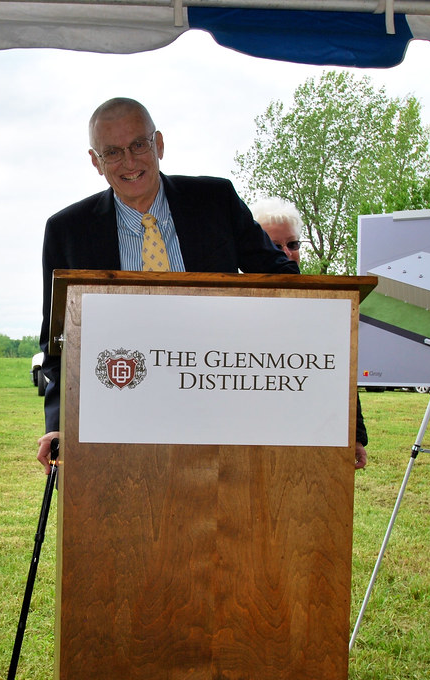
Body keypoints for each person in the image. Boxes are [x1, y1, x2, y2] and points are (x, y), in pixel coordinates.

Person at [36, 97, 299, 472]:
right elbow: (59, 342)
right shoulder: (67, 231)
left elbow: (283, 282)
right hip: (118, 420)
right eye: (112, 152)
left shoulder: (216, 202)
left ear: (158, 144)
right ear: (96, 162)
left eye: (138, 145)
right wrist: (59, 426)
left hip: (218, 414)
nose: (129, 162)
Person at [249, 196, 368, 470]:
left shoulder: (324, 305)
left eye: (292, 244)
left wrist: (356, 436)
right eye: (274, 245)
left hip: (312, 444)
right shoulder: (229, 305)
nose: (286, 253)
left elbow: (341, 374)